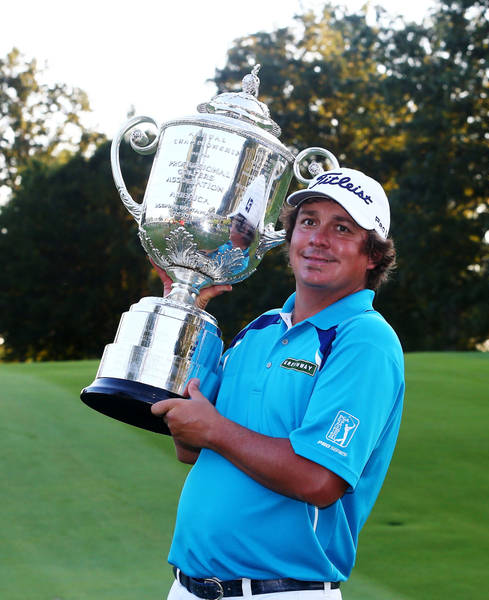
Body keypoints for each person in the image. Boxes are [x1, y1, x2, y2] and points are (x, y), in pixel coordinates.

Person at [151, 167, 404, 600]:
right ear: (290, 239)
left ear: (373, 255)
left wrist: (214, 429)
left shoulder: (365, 339)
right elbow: (189, 445)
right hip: (188, 588)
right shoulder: (261, 330)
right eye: (308, 222)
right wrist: (187, 308)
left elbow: (319, 480)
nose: (318, 239)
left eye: (341, 228)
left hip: (282, 592)